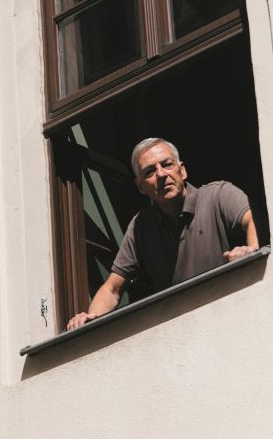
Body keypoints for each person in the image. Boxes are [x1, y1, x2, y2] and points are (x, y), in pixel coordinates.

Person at [66, 137, 259, 331]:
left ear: (182, 170)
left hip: (232, 317)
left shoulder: (218, 195)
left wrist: (251, 253)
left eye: (167, 164)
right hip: (180, 332)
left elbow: (254, 220)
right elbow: (113, 288)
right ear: (140, 186)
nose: (161, 174)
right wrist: (90, 321)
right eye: (150, 171)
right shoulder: (140, 226)